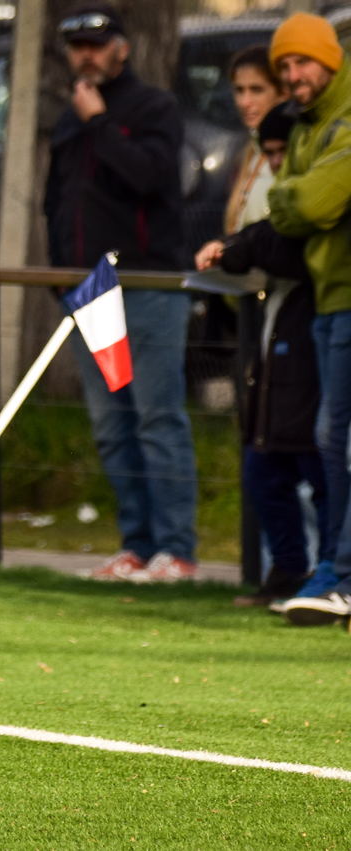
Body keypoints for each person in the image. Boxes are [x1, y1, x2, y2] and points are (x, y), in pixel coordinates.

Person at [42, 3, 199, 583]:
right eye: (76, 46)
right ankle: (137, 545)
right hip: (88, 290)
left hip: (147, 283)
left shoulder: (152, 108)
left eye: (96, 44)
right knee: (112, 426)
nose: (86, 55)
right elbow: (56, 202)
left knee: (158, 418)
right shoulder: (69, 119)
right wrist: (61, 275)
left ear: (122, 49)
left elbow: (150, 178)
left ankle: (176, 551)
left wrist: (101, 123)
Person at [195, 103, 322, 607]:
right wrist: (235, 248)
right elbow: (268, 234)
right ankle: (288, 571)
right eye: (266, 152)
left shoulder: (318, 190)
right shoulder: (275, 192)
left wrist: (239, 249)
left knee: (317, 468)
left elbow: (286, 245)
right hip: (277, 334)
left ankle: (327, 575)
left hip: (312, 340)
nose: (274, 162)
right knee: (263, 468)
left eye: (280, 151)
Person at [259, 14, 351, 625]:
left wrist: (298, 198)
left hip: (346, 296)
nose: (293, 75)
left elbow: (312, 201)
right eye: (284, 66)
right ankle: (333, 570)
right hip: (327, 296)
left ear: (330, 58)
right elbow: (284, 203)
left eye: (302, 61)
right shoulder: (305, 125)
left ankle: (340, 574)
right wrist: (297, 198)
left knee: (338, 441)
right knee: (329, 442)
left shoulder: (344, 117)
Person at [223, 46, 290, 236]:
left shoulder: (295, 147)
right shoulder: (249, 150)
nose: (245, 102)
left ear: (283, 92)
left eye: (257, 90)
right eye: (239, 90)